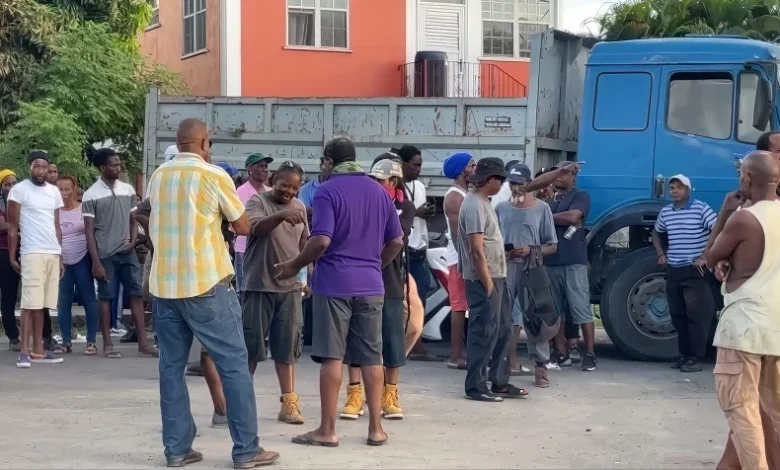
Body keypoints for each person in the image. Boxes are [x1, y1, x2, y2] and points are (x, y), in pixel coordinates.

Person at [148, 118, 279, 467]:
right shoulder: (214, 175)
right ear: (204, 142)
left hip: (163, 286)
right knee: (234, 364)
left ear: (179, 144)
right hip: (206, 283)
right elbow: (243, 225)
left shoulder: (158, 176)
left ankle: (177, 449)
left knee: (171, 368)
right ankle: (247, 450)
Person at [275, 136, 404, 447]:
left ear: (328, 161)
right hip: (372, 286)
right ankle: (375, 429)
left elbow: (321, 241)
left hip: (334, 285)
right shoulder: (379, 191)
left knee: (333, 356)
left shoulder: (327, 191)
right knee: (372, 357)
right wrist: (375, 264)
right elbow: (397, 241)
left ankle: (327, 430)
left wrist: (294, 265)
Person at [705, 151, 780, 470]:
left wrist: (724, 212)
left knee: (744, 415)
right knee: (773, 415)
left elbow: (710, 256)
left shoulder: (743, 218)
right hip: (775, 329)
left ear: (748, 179)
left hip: (743, 330)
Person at [340, 155, 416, 422]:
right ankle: (354, 394)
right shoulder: (362, 202)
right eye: (371, 179)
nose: (374, 183)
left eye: (380, 180)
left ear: (393, 181)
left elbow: (396, 238)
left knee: (392, 340)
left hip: (390, 282)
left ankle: (390, 395)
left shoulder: (404, 207)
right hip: (359, 280)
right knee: (356, 338)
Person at [242, 163, 309, 424]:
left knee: (287, 349)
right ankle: (242, 402)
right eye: (284, 185)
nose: (289, 191)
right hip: (258, 286)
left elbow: (304, 245)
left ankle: (289, 404)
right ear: (273, 180)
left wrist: (305, 277)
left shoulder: (300, 207)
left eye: (294, 187)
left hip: (290, 289)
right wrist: (280, 216)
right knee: (251, 348)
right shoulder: (257, 202)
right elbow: (255, 228)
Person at [458, 157, 526, 402]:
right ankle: (475, 386)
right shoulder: (474, 205)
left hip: (498, 276)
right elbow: (476, 249)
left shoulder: (484, 202)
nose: (502, 185)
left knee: (504, 329)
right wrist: (487, 282)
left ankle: (498, 382)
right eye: (500, 180)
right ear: (490, 180)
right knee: (484, 331)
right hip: (484, 278)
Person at [82, 148, 157, 359]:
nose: (118, 168)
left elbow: (134, 220)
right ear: (102, 167)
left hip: (127, 252)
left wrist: (133, 241)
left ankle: (143, 343)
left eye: (118, 164)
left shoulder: (128, 189)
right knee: (106, 297)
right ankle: (107, 343)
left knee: (135, 295)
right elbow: (89, 230)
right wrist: (95, 262)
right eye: (113, 165)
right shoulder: (91, 194)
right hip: (105, 254)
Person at [495, 163, 559, 388]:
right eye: (512, 184)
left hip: (532, 268)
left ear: (529, 184)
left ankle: (541, 368)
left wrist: (531, 250)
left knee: (536, 318)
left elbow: (552, 245)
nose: (516, 188)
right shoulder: (501, 208)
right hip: (506, 268)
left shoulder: (542, 209)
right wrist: (504, 250)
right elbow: (491, 241)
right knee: (503, 318)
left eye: (520, 184)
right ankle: (499, 368)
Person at [651, 174, 716, 372]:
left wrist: (704, 256)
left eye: (679, 187)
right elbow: (656, 233)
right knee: (678, 315)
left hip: (695, 269)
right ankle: (685, 355)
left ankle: (696, 358)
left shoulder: (700, 208)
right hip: (674, 268)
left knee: (696, 315)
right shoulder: (666, 212)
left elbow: (717, 230)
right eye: (672, 188)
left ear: (688, 190)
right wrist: (661, 254)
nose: (675, 191)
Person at [7, 150, 65, 368]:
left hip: (52, 251)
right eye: (37, 166)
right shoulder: (19, 190)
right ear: (30, 166)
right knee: (29, 303)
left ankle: (39, 350)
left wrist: (60, 256)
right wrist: (13, 256)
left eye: (45, 167)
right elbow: (13, 227)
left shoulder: (54, 192)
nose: (41, 171)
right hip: (31, 251)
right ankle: (24, 351)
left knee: (43, 304)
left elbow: (57, 226)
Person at [546, 161, 596, 371]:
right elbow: (565, 219)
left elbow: (574, 216)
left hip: (574, 261)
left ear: (573, 176)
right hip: (551, 261)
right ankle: (561, 353)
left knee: (580, 308)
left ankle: (591, 354)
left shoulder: (580, 196)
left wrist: (547, 217)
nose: (558, 176)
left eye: (564, 173)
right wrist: (560, 218)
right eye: (556, 172)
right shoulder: (548, 200)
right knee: (556, 312)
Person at [400, 145, 437, 362]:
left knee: (419, 300)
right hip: (404, 251)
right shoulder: (395, 187)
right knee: (406, 302)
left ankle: (416, 343)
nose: (418, 169)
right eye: (414, 165)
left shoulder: (419, 186)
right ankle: (409, 345)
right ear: (403, 164)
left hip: (419, 248)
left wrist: (425, 213)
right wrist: (415, 211)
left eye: (420, 165)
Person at [54, 175, 99, 356]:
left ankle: (91, 341)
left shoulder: (83, 208)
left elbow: (92, 232)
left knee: (88, 299)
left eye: (67, 189)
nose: (64, 193)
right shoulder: (54, 211)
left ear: (75, 189)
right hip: (62, 261)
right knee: (63, 302)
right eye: (60, 189)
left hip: (82, 259)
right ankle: (66, 342)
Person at [442, 152, 476, 370]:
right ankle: (455, 357)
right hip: (459, 259)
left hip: (466, 258)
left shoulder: (465, 193)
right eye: (472, 165)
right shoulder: (455, 197)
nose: (475, 169)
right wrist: (468, 263)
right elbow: (457, 236)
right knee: (458, 307)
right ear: (462, 170)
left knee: (465, 307)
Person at [233, 153, 273, 293]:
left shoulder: (271, 192)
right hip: (245, 248)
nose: (264, 169)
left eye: (266, 166)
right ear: (249, 168)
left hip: (267, 249)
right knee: (244, 289)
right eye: (260, 166)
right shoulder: (240, 192)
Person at [0, 170, 21, 351]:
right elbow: (2, 225)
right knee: (7, 296)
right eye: (7, 184)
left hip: (22, 251)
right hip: (3, 253)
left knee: (12, 296)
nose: (11, 187)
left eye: (14, 183)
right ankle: (13, 336)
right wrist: (16, 225)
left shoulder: (23, 203)